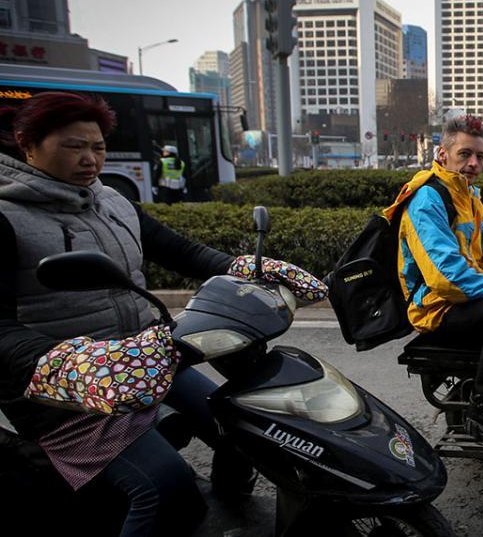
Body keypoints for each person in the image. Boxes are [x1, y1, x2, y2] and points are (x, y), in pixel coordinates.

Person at [0, 92, 329, 535]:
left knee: (243, 424)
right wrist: (70, 362)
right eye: (73, 146)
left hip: (146, 356)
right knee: (164, 487)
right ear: (27, 144)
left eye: (97, 147)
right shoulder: (6, 216)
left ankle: (234, 510)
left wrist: (249, 269)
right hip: (69, 385)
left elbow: (181, 251)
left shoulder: (110, 200)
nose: (89, 159)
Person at [385, 114, 483, 449]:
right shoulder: (427, 200)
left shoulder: (468, 197)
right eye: (464, 154)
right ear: (442, 155)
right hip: (436, 307)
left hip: (463, 299)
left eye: (479, 156)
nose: (473, 163)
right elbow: (446, 275)